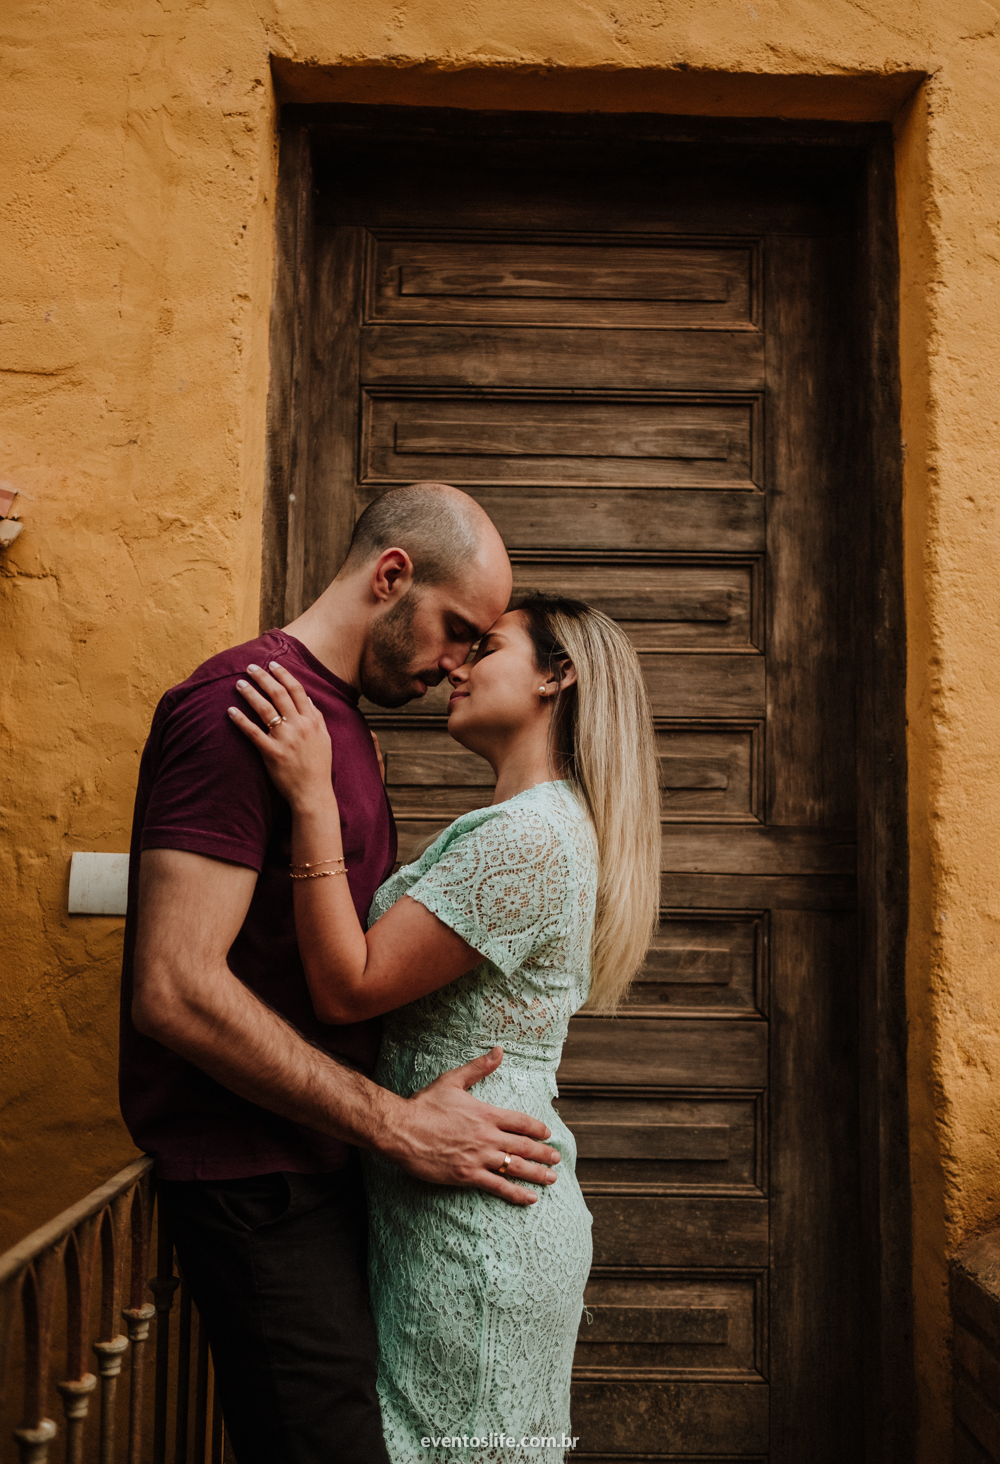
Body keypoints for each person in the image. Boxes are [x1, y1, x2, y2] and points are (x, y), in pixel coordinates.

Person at [120, 485, 564, 1464]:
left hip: (319, 1170)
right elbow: (173, 985)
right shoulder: (240, 706)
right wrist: (396, 1123)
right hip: (254, 1183)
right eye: (457, 631)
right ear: (391, 575)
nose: (458, 663)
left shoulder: (336, 729)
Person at [228, 590, 661, 1464]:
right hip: (459, 1203)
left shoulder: (529, 838)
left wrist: (314, 802)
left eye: (487, 647)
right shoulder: (528, 825)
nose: (456, 665)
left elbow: (348, 988)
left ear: (557, 677)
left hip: (476, 1233)